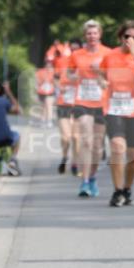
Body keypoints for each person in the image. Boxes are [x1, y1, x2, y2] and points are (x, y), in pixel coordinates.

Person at [103, 21, 134, 207]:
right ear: (120, 37)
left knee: (133, 156)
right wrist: (101, 83)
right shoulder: (110, 56)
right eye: (127, 36)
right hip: (114, 109)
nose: (130, 40)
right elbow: (100, 73)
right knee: (117, 147)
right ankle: (117, 190)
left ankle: (127, 188)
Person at [67, 20, 110, 198]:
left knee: (98, 147)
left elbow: (112, 77)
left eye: (95, 33)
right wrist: (74, 76)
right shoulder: (77, 55)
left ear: (100, 34)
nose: (92, 36)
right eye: (89, 33)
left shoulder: (108, 53)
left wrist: (99, 72)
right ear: (85, 36)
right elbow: (69, 74)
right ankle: (84, 182)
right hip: (83, 100)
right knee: (86, 141)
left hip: (101, 102)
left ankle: (92, 177)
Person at [54, 37, 81, 175]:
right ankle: (65, 157)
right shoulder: (62, 62)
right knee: (66, 136)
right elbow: (55, 78)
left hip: (79, 104)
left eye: (77, 49)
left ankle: (75, 163)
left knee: (76, 137)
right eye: (73, 49)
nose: (75, 51)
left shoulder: (84, 62)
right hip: (63, 103)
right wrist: (60, 88)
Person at [0, 79, 21, 175]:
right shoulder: (3, 101)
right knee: (17, 136)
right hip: (4, 138)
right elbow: (18, 110)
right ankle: (12, 161)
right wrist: (8, 92)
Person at [35, 59, 56, 127]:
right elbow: (37, 81)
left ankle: (49, 121)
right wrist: (42, 81)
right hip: (42, 91)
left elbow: (57, 81)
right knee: (43, 106)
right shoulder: (40, 71)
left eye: (50, 63)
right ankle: (43, 120)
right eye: (48, 63)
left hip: (50, 91)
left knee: (49, 105)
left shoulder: (54, 71)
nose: (49, 64)